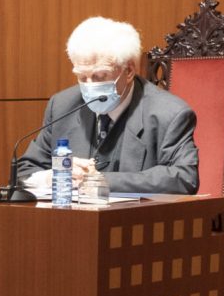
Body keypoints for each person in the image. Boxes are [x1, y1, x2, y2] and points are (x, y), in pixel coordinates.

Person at [14, 16, 199, 195]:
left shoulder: (169, 114)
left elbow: (184, 178)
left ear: (128, 71)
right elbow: (24, 170)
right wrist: (54, 176)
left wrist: (100, 180)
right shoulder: (63, 106)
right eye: (81, 76)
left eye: (100, 76)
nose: (89, 85)